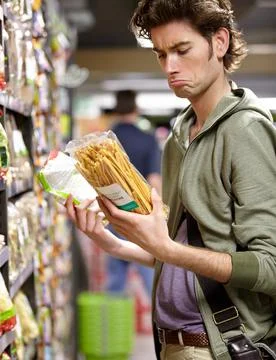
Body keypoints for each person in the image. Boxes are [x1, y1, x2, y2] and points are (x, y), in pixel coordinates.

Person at [65, 0, 276, 359]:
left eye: (182, 50)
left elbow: (270, 266)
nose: (170, 67)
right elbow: (183, 254)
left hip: (220, 348)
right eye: (161, 55)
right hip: (173, 345)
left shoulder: (246, 129)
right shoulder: (180, 134)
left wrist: (167, 249)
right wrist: (113, 243)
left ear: (220, 43)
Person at [106, 89, 162, 296]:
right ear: (136, 109)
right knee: (150, 273)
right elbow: (154, 179)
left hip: (111, 212)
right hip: (140, 215)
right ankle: (159, 323)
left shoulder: (105, 141)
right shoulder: (147, 139)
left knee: (115, 277)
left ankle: (112, 324)